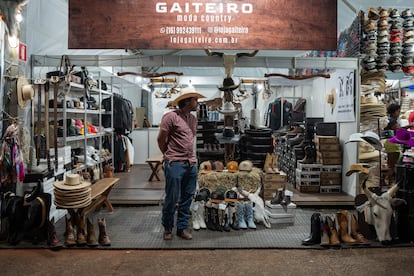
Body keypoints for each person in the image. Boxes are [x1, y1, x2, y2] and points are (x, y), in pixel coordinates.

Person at [157, 86, 205, 240]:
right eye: (195, 99)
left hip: (191, 163)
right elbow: (161, 139)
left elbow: (190, 139)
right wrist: (167, 154)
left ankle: (182, 228)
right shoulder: (170, 117)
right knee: (172, 197)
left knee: (187, 197)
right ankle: (168, 228)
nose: (197, 102)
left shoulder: (193, 119)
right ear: (187, 101)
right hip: (175, 163)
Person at [383, 103, 401, 184]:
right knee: (392, 165)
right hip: (393, 144)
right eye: (398, 111)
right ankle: (387, 182)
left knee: (390, 164)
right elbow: (399, 131)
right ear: (394, 112)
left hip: (388, 143)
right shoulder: (392, 121)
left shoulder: (388, 119)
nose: (399, 112)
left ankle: (388, 182)